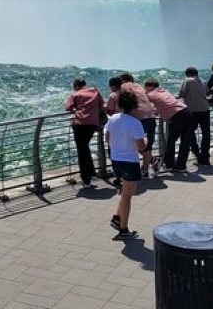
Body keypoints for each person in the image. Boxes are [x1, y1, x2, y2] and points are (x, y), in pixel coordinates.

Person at [106, 89, 146, 241]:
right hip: (130, 161)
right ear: (134, 106)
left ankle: (117, 218)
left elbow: (107, 139)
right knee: (127, 197)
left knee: (124, 193)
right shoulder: (135, 123)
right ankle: (123, 229)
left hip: (116, 159)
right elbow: (141, 147)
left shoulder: (113, 119)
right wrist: (146, 142)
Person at [144, 79, 192, 174]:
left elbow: (142, 102)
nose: (145, 90)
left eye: (146, 88)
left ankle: (169, 165)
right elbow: (164, 103)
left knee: (171, 141)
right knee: (185, 141)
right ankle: (181, 166)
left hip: (177, 116)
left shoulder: (151, 94)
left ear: (150, 87)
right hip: (186, 111)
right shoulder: (163, 90)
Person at [64, 78, 105, 188]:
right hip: (93, 124)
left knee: (82, 152)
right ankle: (91, 174)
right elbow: (102, 104)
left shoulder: (76, 94)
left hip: (80, 124)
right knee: (85, 148)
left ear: (76, 86)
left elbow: (68, 107)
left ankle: (86, 180)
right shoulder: (95, 92)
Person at [119, 73, 157, 177]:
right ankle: (150, 164)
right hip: (151, 115)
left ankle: (144, 168)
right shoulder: (139, 86)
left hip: (139, 116)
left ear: (123, 80)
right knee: (146, 145)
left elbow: (123, 99)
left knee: (134, 143)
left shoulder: (124, 86)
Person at [177, 67, 211, 165]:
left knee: (189, 133)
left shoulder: (187, 81)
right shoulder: (203, 81)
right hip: (205, 109)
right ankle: (205, 157)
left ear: (188, 74)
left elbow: (181, 94)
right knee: (206, 134)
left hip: (193, 111)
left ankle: (197, 153)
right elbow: (207, 93)